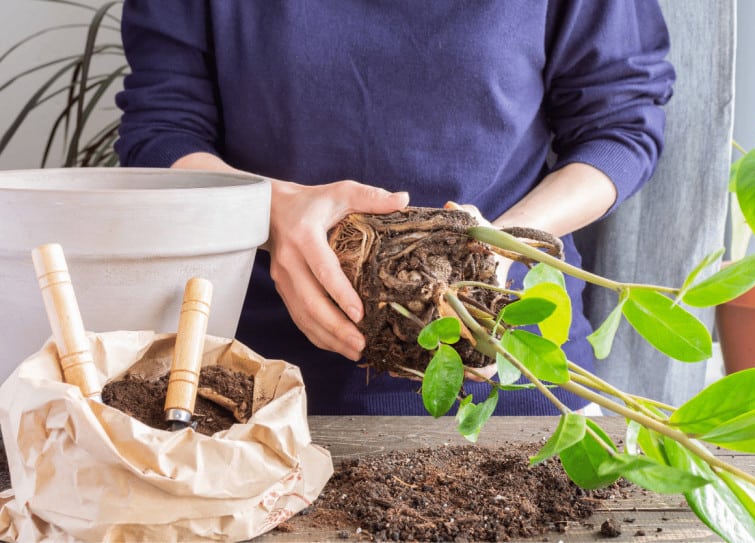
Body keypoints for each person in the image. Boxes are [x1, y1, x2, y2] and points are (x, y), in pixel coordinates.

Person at [115, 1, 675, 416]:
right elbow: (161, 131)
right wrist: (270, 211)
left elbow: (619, 126)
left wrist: (505, 246)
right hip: (255, 375)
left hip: (507, 351)